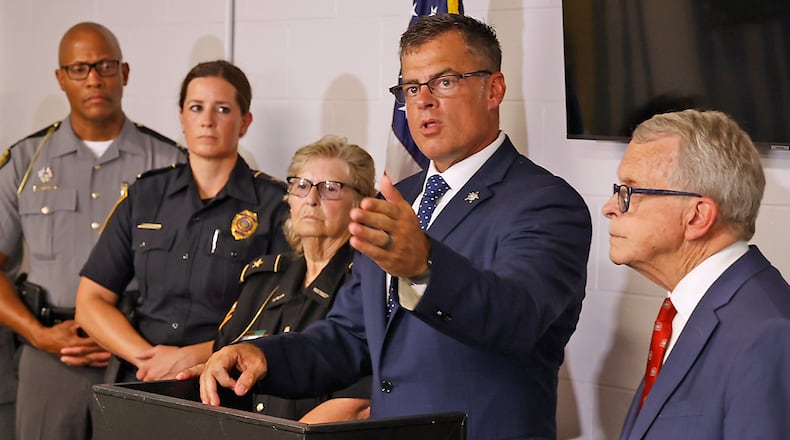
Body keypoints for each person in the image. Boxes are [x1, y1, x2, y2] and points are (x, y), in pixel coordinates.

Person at [180, 14, 592, 440]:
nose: (423, 101)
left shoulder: (546, 204)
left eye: (444, 81)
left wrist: (424, 267)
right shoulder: (395, 200)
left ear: (494, 89)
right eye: (411, 88)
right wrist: (264, 357)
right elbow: (349, 336)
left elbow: (517, 320)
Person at [0, 22, 185, 440]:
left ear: (125, 72)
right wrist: (38, 334)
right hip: (50, 359)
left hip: (140, 359)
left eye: (105, 66)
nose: (94, 79)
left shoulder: (170, 163)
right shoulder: (25, 162)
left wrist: (126, 340)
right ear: (60, 78)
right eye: (79, 69)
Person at [75, 60, 288, 383]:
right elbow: (91, 300)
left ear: (245, 123)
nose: (207, 121)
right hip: (140, 379)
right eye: (196, 107)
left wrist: (191, 357)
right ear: (182, 117)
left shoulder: (276, 206)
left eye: (222, 109)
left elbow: (282, 316)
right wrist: (147, 359)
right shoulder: (145, 195)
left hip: (228, 384)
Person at [603, 109, 790, 439]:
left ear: (697, 217)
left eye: (630, 192)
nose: (609, 207)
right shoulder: (687, 308)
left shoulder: (768, 336)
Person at [212, 135, 374, 423]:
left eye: (330, 188)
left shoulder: (368, 283)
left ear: (360, 203)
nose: (311, 199)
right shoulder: (263, 279)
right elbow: (225, 362)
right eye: (301, 186)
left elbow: (358, 404)